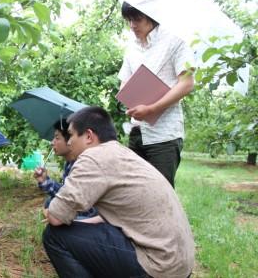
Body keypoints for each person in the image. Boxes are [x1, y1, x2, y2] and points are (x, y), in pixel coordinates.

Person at [43, 106, 195, 278]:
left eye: (70, 135)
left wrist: (51, 210)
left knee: (54, 236)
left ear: (88, 136)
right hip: (178, 264)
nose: (68, 142)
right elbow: (110, 217)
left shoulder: (93, 158)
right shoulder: (122, 154)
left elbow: (55, 218)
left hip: (157, 267)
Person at [118, 1, 195, 187]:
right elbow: (124, 83)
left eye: (137, 19)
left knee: (162, 193)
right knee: (134, 192)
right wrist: (128, 98)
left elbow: (186, 83)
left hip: (164, 135)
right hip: (137, 131)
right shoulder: (131, 48)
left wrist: (152, 108)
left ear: (151, 16)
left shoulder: (175, 41)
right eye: (129, 20)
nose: (132, 25)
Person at [33, 119, 98, 219]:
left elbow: (81, 204)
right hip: (81, 209)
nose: (52, 142)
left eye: (57, 138)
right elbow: (66, 192)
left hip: (91, 216)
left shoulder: (83, 165)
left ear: (70, 141)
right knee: (49, 203)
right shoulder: (70, 163)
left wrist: (57, 216)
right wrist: (45, 181)